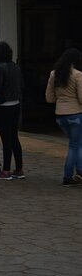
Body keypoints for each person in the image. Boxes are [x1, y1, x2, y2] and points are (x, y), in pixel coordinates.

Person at [45, 48, 82, 187]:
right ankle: (68, 176)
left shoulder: (54, 74)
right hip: (76, 114)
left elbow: (49, 98)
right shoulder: (78, 75)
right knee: (75, 145)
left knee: (76, 143)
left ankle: (79, 172)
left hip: (60, 115)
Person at [0, 41, 25, 181]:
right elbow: (22, 85)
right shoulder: (15, 66)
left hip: (4, 106)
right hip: (16, 104)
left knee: (6, 139)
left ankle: (5, 170)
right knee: (14, 137)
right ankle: (19, 168)